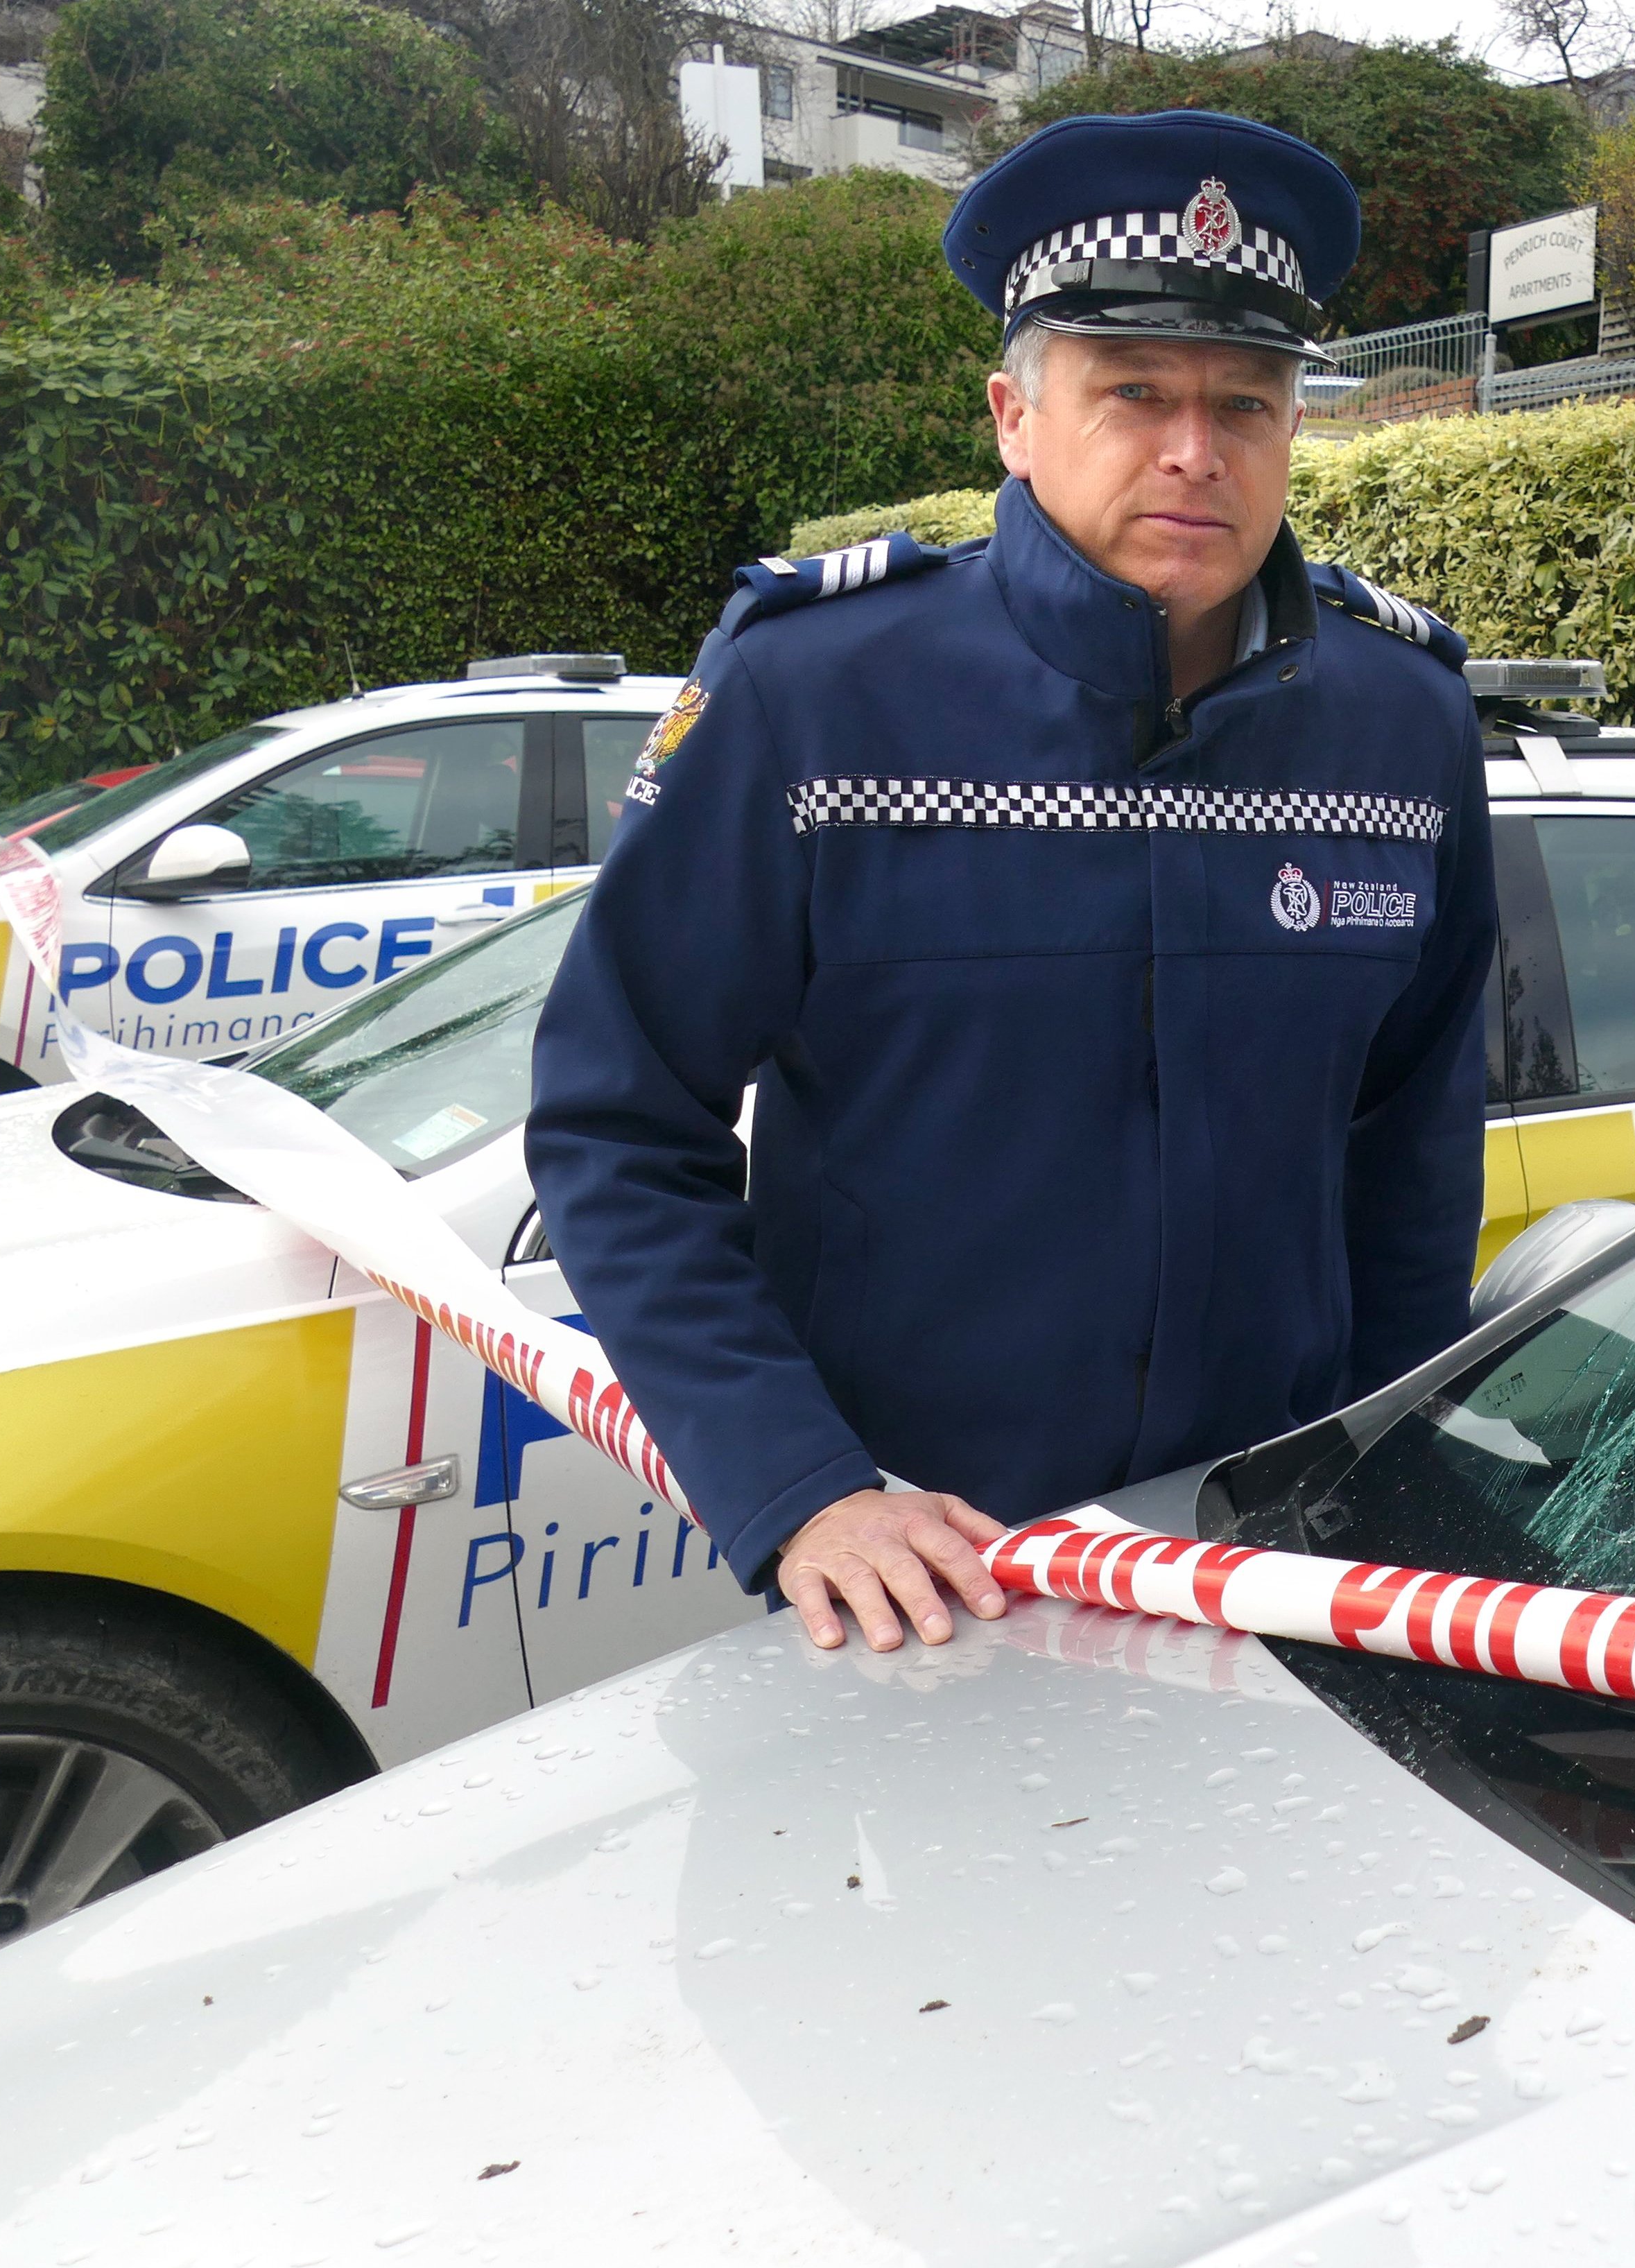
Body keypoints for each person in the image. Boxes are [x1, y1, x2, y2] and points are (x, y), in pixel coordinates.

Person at [524, 111, 1494, 1655]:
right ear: (1011, 418)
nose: (1195, 450)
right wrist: (802, 1486)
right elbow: (615, 1123)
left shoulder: (1406, 724)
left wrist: (1370, 1474)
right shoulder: (813, 698)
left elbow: (1415, 1145)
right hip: (920, 1589)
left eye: (1247, 402)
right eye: (1134, 394)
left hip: (1272, 1581)